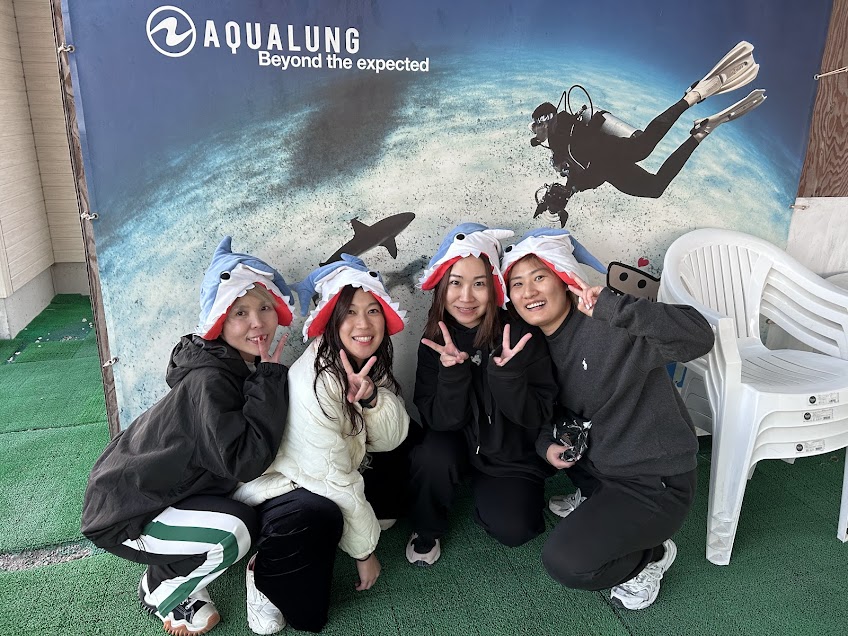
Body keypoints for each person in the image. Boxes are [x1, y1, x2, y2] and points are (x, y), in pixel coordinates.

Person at [81, 236, 294, 636]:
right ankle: (162, 590)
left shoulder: (230, 364)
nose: (257, 322)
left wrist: (263, 376)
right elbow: (244, 461)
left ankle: (167, 568)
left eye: (265, 307)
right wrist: (269, 380)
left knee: (243, 509)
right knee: (236, 531)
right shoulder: (210, 380)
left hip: (153, 495)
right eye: (240, 312)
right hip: (127, 515)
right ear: (218, 320)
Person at [501, 228, 715, 610]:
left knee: (566, 563)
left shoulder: (610, 325)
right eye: (517, 283)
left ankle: (653, 556)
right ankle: (595, 499)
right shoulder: (532, 346)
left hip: (653, 479)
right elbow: (551, 412)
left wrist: (617, 308)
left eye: (539, 277)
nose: (528, 291)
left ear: (563, 278)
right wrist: (546, 444)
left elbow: (699, 337)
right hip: (601, 467)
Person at [233, 255, 410, 634]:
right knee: (309, 614)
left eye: (373, 310)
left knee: (410, 439)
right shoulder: (314, 379)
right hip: (284, 488)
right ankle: (262, 572)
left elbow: (391, 438)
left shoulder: (363, 361)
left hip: (328, 470)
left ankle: (364, 520)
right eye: (349, 313)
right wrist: (365, 552)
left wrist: (371, 398)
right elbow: (330, 476)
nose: (363, 324)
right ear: (330, 320)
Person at [406, 223, 558, 567]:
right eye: (455, 283)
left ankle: (485, 499)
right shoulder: (435, 341)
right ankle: (427, 527)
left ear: (494, 287)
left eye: (479, 284)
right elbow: (439, 421)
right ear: (441, 288)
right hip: (454, 444)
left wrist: (508, 377)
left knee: (516, 530)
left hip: (508, 453)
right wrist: (453, 373)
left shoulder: (519, 335)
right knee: (431, 456)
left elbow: (537, 415)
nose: (466, 297)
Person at [530, 41, 766, 222]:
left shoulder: (564, 129)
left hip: (608, 151)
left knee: (642, 149)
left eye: (535, 125)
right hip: (608, 169)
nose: (534, 132)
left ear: (545, 121)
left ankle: (691, 97)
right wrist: (568, 189)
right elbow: (582, 169)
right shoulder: (558, 144)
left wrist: (570, 181)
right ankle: (700, 133)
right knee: (655, 189)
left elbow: (584, 153)